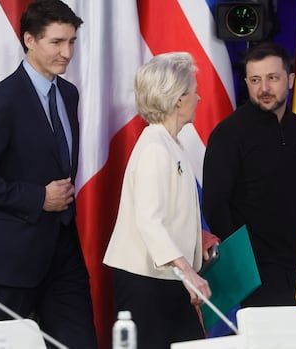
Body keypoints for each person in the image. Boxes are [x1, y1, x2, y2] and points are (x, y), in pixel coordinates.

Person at [0, 1, 96, 347]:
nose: (67, 53)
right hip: (11, 258)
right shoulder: (3, 100)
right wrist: (39, 197)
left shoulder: (68, 93)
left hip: (63, 250)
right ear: (29, 40)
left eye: (72, 42)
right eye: (56, 42)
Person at [202, 42, 296, 307]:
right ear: (246, 81)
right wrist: (242, 264)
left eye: (272, 78)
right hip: (253, 269)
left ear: (289, 80)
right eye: (255, 80)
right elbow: (214, 204)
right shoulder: (229, 133)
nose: (263, 88)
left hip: (289, 264)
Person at [103, 52, 211, 349]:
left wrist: (194, 239)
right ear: (178, 99)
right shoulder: (155, 148)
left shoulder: (168, 143)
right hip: (146, 283)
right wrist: (188, 272)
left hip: (167, 278)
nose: (199, 98)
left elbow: (165, 214)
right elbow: (149, 220)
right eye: (193, 91)